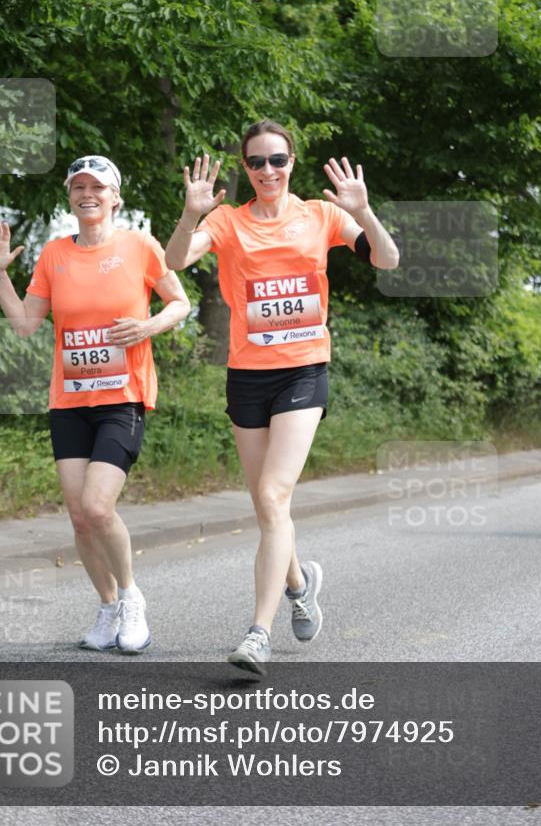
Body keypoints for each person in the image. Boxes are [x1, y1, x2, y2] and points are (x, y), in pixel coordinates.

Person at [165, 120, 399, 674]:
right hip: (248, 376)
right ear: (246, 169)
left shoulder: (320, 215)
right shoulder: (228, 220)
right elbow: (175, 261)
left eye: (277, 159)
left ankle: (258, 635)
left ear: (292, 162)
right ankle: (299, 584)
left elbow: (387, 259)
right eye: (256, 162)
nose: (267, 170)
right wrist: (191, 214)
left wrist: (364, 211)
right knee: (267, 505)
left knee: (273, 495)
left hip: (303, 371)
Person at [0, 154, 190, 654]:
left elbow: (179, 303)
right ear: (70, 197)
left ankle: (132, 597)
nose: (87, 194)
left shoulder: (139, 246)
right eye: (79, 187)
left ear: (115, 197)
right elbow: (25, 325)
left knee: (98, 506)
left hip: (123, 398)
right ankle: (108, 605)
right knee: (78, 516)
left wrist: (147, 327)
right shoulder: (55, 254)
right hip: (70, 401)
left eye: (98, 186)